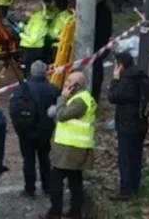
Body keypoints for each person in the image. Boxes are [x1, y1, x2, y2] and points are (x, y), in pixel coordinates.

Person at [46, 72, 96, 219]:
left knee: (57, 181)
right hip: (73, 147)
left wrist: (62, 97)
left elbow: (61, 115)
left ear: (76, 85)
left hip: (70, 148)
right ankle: (75, 211)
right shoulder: (82, 98)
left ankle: (56, 212)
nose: (66, 83)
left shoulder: (80, 101)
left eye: (69, 81)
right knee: (75, 180)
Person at [9, 60, 58, 197]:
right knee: (44, 158)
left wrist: (18, 127)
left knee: (28, 160)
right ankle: (47, 186)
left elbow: (13, 109)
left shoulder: (22, 88)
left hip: (27, 130)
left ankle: (29, 189)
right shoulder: (52, 89)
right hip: (45, 130)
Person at [108, 52, 149, 200]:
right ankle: (134, 186)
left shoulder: (126, 81)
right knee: (136, 155)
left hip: (127, 124)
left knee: (125, 157)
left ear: (120, 66)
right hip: (141, 123)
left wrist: (114, 80)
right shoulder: (140, 76)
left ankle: (126, 190)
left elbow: (112, 97)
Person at [19, 0, 52, 77]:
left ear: (33, 11)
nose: (25, 12)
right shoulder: (34, 19)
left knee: (28, 72)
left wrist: (20, 34)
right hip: (29, 49)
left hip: (32, 50)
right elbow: (30, 30)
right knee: (26, 71)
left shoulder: (38, 23)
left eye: (27, 10)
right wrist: (23, 26)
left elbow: (32, 40)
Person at [92, 0, 114, 101]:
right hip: (96, 43)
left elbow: (104, 30)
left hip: (99, 44)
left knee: (96, 69)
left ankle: (95, 94)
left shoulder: (104, 11)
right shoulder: (93, 9)